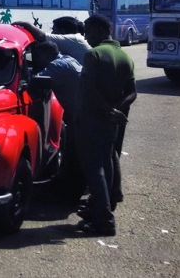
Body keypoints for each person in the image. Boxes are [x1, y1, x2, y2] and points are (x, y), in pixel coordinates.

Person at [74, 15, 136, 236]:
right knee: (107, 165)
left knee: (95, 171)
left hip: (91, 121)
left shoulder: (94, 55)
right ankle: (105, 211)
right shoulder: (125, 57)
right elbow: (132, 93)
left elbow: (88, 90)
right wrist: (117, 110)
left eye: (89, 32)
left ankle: (105, 221)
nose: (86, 37)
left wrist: (109, 110)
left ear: (101, 30)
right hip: (111, 122)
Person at [32, 41, 87, 203]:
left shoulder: (56, 67)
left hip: (82, 117)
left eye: (38, 56)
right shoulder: (68, 59)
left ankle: (70, 196)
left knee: (78, 157)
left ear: (47, 55)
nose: (36, 60)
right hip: (85, 112)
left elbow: (35, 81)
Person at [14, 16, 91, 64]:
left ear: (62, 31)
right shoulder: (76, 39)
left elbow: (42, 36)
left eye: (54, 30)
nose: (52, 33)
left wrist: (26, 24)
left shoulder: (74, 39)